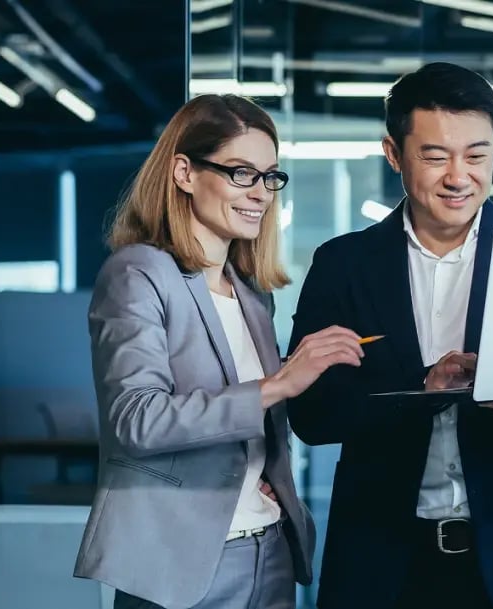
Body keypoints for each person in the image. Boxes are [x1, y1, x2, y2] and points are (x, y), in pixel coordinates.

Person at [286, 62, 493, 609]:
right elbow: (311, 416)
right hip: (382, 566)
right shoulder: (344, 265)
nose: (460, 177)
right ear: (394, 154)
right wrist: (422, 389)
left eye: (477, 156)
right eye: (435, 157)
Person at [73, 93, 364, 609]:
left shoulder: (251, 293)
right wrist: (277, 386)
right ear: (184, 172)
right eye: (240, 173)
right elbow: (135, 420)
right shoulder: (138, 273)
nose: (260, 193)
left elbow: (253, 431)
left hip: (267, 554)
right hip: (181, 566)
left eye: (270, 176)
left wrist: (261, 477)